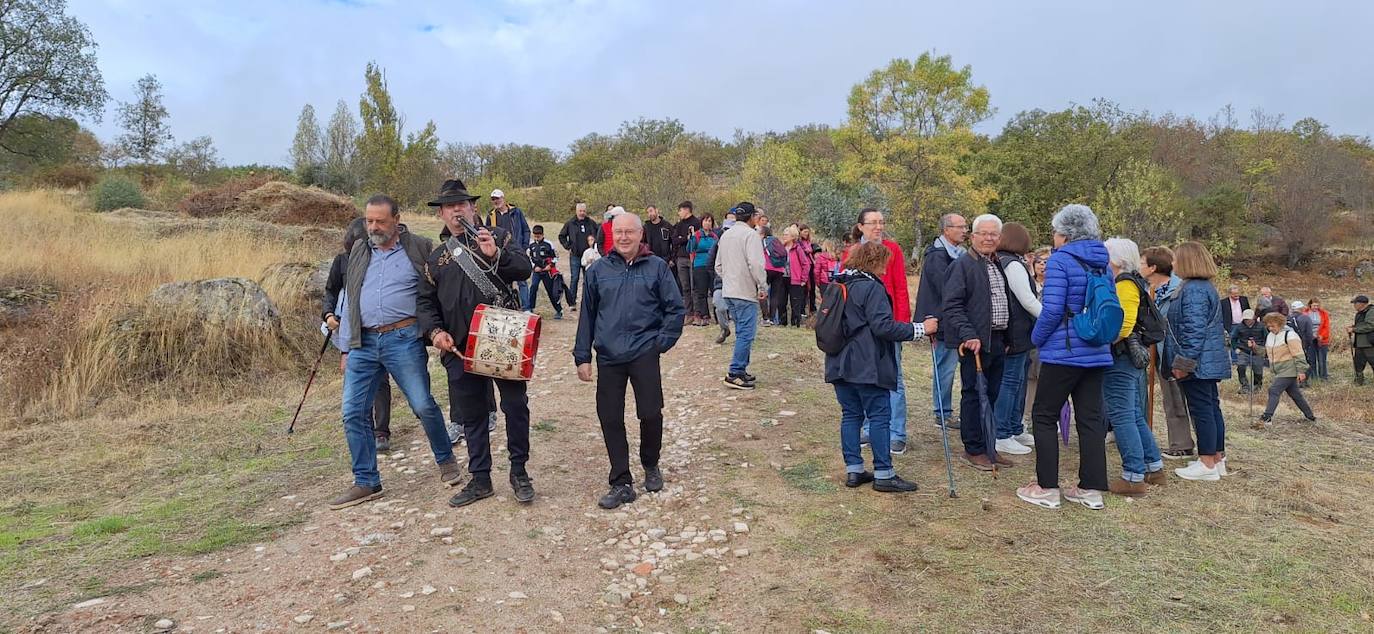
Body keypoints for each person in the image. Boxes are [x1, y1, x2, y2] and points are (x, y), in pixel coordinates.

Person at [329, 194, 461, 510]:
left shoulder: (419, 248)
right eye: (368, 221)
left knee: (423, 405)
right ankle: (367, 481)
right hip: (363, 344)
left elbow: (436, 293)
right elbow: (350, 300)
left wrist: (439, 330)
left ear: (396, 220)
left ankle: (446, 460)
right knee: (352, 413)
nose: (372, 227)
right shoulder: (359, 249)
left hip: (403, 338)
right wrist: (346, 348)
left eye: (380, 221)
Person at [418, 179, 536, 507]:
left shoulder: (498, 236)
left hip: (502, 337)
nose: (457, 210)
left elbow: (524, 269)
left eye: (463, 204)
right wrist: (434, 333)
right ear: (441, 213)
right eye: (450, 206)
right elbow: (425, 303)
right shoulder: (436, 258)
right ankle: (480, 478)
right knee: (472, 415)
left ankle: (519, 471)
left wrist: (495, 254)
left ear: (473, 208)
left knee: (514, 407)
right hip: (459, 345)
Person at [575, 212, 685, 509]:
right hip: (609, 356)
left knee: (650, 413)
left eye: (630, 232)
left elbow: (675, 309)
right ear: (612, 235)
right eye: (619, 232)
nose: (624, 237)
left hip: (644, 353)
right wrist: (582, 355)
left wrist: (660, 343)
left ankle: (650, 463)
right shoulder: (598, 270)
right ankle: (621, 480)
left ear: (640, 235)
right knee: (610, 417)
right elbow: (587, 315)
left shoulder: (658, 268)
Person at [1016, 204, 1112, 511]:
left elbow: (1053, 310)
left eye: (1056, 231)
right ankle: (1090, 488)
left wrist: (1036, 339)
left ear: (1066, 234)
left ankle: (1047, 487)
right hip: (1096, 350)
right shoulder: (1103, 263)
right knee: (1091, 419)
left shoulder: (1060, 262)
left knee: (1044, 416)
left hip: (1064, 350)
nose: (1054, 236)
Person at [826, 241, 938, 493]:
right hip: (867, 364)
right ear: (875, 262)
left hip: (839, 362)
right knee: (879, 416)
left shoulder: (839, 284)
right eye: (884, 262)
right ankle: (884, 474)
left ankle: (854, 470)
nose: (887, 268)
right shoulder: (871, 287)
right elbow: (883, 327)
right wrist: (921, 329)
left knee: (851, 415)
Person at [943, 214, 1016, 472]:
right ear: (972, 236)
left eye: (993, 234)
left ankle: (988, 446)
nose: (988, 238)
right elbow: (951, 305)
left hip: (996, 340)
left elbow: (1001, 303)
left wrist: (1007, 338)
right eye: (983, 233)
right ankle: (973, 448)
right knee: (974, 394)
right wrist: (968, 334)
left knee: (992, 395)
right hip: (975, 343)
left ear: (999, 238)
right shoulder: (963, 265)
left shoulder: (995, 263)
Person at [324, 218, 398, 453]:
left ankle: (381, 431)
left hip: (378, 330)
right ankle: (361, 428)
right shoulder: (341, 261)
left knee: (380, 381)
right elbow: (330, 290)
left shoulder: (383, 259)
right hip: (349, 330)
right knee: (356, 380)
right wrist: (327, 314)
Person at [1102, 238, 1166, 497]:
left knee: (1122, 416)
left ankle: (1133, 476)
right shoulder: (1135, 281)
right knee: (1133, 414)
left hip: (1121, 357)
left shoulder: (1125, 283)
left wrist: (1102, 343)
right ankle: (1153, 467)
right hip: (1130, 358)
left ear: (1115, 259)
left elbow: (1124, 324)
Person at [1163, 242, 1230, 482]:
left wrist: (1183, 364)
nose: (1172, 263)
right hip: (1207, 360)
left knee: (1202, 409)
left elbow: (1193, 332)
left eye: (1176, 259)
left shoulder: (1193, 290)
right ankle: (1217, 458)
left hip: (1198, 362)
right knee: (1211, 407)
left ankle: (1207, 462)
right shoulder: (1204, 288)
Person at [848, 208, 914, 454]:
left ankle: (896, 432)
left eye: (881, 222)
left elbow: (900, 287)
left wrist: (903, 323)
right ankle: (868, 427)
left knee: (893, 377)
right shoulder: (852, 252)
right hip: (859, 329)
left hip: (888, 324)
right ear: (860, 226)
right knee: (864, 377)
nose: (878, 227)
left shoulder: (892, 249)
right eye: (873, 223)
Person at [988, 222, 1040, 456]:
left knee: (1016, 382)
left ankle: (1013, 427)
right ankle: (1002, 433)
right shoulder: (1013, 265)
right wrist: (1050, 318)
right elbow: (1027, 299)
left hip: (1017, 331)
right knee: (1010, 382)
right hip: (1016, 332)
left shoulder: (1003, 261)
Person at [915, 213, 968, 429]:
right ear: (947, 230)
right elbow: (945, 289)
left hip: (953, 319)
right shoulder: (938, 256)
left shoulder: (958, 254)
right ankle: (942, 413)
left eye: (966, 226)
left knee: (949, 366)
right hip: (942, 321)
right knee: (945, 367)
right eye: (961, 227)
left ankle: (945, 411)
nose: (965, 230)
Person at [1142, 246, 1195, 460]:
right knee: (1172, 401)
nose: (1139, 266)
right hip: (1161, 355)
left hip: (1180, 355)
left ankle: (1211, 449)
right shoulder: (1149, 290)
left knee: (1192, 401)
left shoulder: (1178, 290)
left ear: (1153, 267)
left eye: (1142, 262)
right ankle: (1180, 444)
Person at [715, 202, 768, 389]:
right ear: (752, 216)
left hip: (729, 290)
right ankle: (735, 372)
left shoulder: (726, 235)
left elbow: (718, 266)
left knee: (741, 331)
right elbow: (756, 264)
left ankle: (741, 369)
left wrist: (729, 278)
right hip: (744, 291)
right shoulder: (750, 235)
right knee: (746, 334)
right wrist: (762, 285)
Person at [1260, 312, 1317, 424]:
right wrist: (1254, 348)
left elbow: (1298, 354)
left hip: (1289, 369)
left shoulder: (1290, 335)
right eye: (1268, 326)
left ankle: (1267, 417)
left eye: (1273, 326)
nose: (1270, 328)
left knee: (1274, 390)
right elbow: (1266, 352)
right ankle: (1310, 417)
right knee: (1295, 395)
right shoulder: (1270, 336)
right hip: (1279, 370)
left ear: (1280, 324)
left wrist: (1302, 371)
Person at [485, 189, 532, 306]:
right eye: (493, 199)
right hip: (501, 253)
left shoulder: (516, 212)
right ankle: (508, 305)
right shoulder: (491, 215)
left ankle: (526, 308)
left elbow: (526, 229)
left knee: (522, 281)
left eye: (498, 198)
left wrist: (524, 246)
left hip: (517, 250)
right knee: (504, 281)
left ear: (503, 198)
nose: (496, 201)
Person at [1022, 247, 1051, 422]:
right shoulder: (1028, 284)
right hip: (1031, 336)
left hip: (1049, 338)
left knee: (1046, 378)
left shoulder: (1056, 285)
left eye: (1046, 262)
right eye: (1039, 262)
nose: (1042, 266)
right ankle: (1026, 415)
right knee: (1030, 377)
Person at [558, 201, 602, 310]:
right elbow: (561, 236)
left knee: (588, 278)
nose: (582, 213)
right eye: (580, 211)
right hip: (575, 255)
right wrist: (568, 246)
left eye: (584, 211)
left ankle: (588, 301)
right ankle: (572, 302)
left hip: (589, 256)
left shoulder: (591, 223)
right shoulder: (570, 223)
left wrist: (596, 247)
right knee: (574, 278)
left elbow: (598, 234)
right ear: (576, 211)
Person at [686, 214, 720, 327]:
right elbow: (690, 249)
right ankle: (705, 315)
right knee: (702, 292)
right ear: (701, 222)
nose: (708, 223)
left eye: (710, 221)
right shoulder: (696, 235)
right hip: (699, 265)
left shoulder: (714, 236)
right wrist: (691, 239)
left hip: (713, 265)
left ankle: (718, 315)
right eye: (706, 221)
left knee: (715, 290)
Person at [669, 201, 701, 318]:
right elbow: (674, 240)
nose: (679, 213)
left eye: (680, 210)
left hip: (693, 257)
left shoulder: (696, 223)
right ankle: (689, 313)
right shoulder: (680, 224)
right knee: (685, 287)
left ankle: (698, 312)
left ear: (687, 210)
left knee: (695, 287)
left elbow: (696, 238)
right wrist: (685, 238)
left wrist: (684, 238)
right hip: (681, 258)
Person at [525, 225, 563, 319]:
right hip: (537, 271)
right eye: (535, 236)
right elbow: (528, 258)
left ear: (542, 235)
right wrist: (534, 267)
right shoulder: (531, 245)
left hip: (547, 271)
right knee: (533, 287)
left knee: (550, 290)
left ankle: (558, 310)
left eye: (539, 236)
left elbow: (556, 257)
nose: (537, 238)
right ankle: (530, 308)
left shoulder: (549, 244)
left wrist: (550, 266)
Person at [1230, 309, 1267, 394]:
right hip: (1243, 351)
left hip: (1257, 351)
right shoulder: (1239, 327)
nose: (1247, 321)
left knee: (1258, 370)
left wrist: (1263, 348)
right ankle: (1244, 386)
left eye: (1248, 319)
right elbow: (1233, 339)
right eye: (1245, 319)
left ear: (1253, 318)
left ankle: (1257, 387)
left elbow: (1266, 337)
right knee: (1241, 367)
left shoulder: (1261, 326)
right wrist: (1235, 348)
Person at [784, 226, 813, 327]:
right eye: (784, 234)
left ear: (792, 236)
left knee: (795, 302)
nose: (784, 236)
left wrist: (803, 279)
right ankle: (782, 322)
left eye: (786, 234)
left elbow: (806, 264)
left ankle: (795, 323)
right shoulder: (781, 248)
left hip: (795, 279)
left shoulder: (797, 248)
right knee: (782, 301)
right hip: (783, 278)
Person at [760, 226, 788, 326]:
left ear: (763, 233)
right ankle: (772, 318)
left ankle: (765, 318)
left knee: (762, 291)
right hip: (779, 270)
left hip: (767, 268)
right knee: (775, 295)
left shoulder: (762, 241)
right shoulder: (777, 241)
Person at [1287, 300, 1316, 386]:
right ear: (1301, 308)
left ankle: (1292, 382)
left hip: (1289, 344)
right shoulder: (1305, 318)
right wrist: (1310, 344)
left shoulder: (1287, 319)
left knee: (1292, 363)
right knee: (1307, 362)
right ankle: (1303, 381)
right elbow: (1309, 334)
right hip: (1303, 344)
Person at [1304, 298, 1331, 381]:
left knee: (1322, 358)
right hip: (1310, 339)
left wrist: (1321, 335)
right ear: (1310, 305)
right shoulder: (1305, 313)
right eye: (1314, 305)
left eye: (1317, 305)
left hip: (1321, 339)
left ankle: (1323, 376)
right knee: (1311, 359)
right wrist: (1310, 335)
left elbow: (1326, 327)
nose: (1316, 307)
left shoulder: (1323, 313)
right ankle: (1313, 376)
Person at [1351, 295, 1374, 385]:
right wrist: (1353, 327)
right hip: (1360, 344)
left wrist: (1354, 329)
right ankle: (1359, 381)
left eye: (1355, 303)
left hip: (1370, 343)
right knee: (1358, 363)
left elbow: (1370, 325)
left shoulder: (1371, 311)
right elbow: (1362, 325)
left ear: (1362, 304)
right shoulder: (1360, 312)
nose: (1354, 305)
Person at [800, 224, 819, 315]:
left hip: (811, 265)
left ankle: (812, 307)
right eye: (804, 232)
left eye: (807, 232)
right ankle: (802, 309)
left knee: (812, 287)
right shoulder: (799, 243)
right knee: (804, 288)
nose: (806, 234)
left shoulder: (809, 242)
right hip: (803, 266)